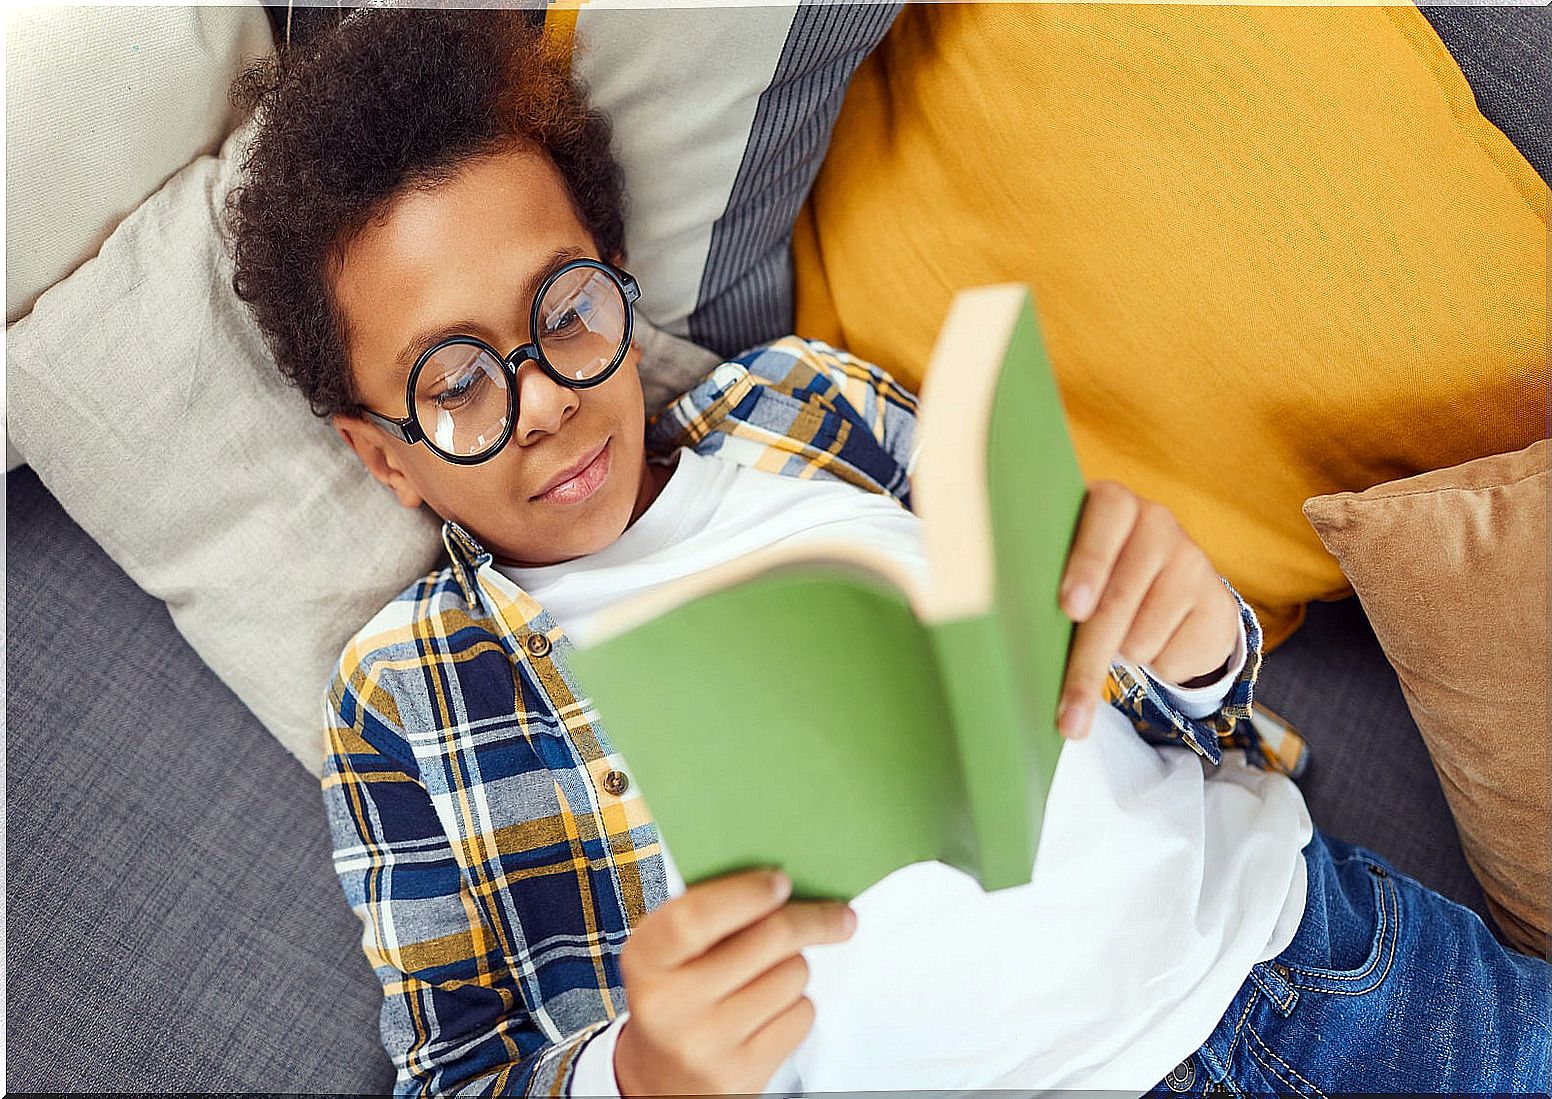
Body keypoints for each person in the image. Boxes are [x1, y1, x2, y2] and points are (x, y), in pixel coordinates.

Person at [223, 8, 1550, 1097]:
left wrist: (1195, 641)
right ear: (381, 453)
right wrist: (639, 1079)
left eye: (565, 311)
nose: (549, 398)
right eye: (456, 382)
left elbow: (1144, 701)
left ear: (616, 278)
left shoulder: (809, 403)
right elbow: (454, 1072)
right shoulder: (403, 695)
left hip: (1318, 972)